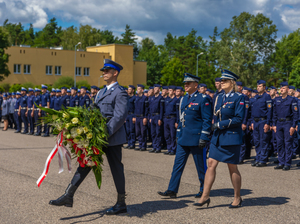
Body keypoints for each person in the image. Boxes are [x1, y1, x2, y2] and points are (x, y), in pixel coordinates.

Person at [49, 59, 128, 215]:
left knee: (116, 169)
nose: (104, 73)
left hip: (110, 137)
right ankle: (68, 195)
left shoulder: (120, 92)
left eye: (106, 71)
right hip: (96, 137)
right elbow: (94, 113)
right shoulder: (101, 92)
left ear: (115, 73)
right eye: (103, 71)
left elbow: (119, 116)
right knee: (85, 163)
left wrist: (104, 132)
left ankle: (121, 203)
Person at [195, 69, 245, 208]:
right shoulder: (219, 97)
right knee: (211, 164)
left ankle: (237, 197)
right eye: (221, 80)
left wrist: (219, 124)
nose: (221, 82)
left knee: (232, 167)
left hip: (231, 136)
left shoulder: (239, 97)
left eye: (224, 81)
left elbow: (238, 119)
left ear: (232, 82)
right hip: (218, 137)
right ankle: (205, 196)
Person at [158, 73, 212, 199]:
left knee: (201, 167)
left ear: (196, 85)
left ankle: (204, 189)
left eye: (188, 83)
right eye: (185, 83)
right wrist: (178, 133)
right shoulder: (183, 99)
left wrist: (204, 137)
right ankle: (172, 189)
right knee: (177, 165)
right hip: (183, 137)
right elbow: (181, 118)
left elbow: (207, 120)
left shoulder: (203, 99)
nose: (185, 85)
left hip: (196, 138)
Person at [272, 82, 298, 171]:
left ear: (287, 90)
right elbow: (274, 113)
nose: (281, 90)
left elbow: (295, 114)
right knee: (279, 143)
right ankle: (281, 162)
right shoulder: (277, 99)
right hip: (279, 123)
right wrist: (274, 124)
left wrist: (293, 126)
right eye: (280, 88)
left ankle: (287, 163)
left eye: (283, 88)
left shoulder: (292, 100)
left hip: (288, 123)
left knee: (288, 143)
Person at [250, 80, 272, 167]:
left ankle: (263, 160)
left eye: (260, 86)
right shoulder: (255, 98)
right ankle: (258, 158)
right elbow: (252, 111)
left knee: (263, 141)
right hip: (255, 122)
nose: (258, 88)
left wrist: (268, 123)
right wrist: (252, 122)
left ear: (264, 87)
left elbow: (270, 111)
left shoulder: (267, 97)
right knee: (257, 141)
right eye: (257, 86)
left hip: (263, 121)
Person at [163, 85, 179, 155]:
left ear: (174, 91)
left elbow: (178, 112)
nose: (168, 92)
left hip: (173, 119)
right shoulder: (166, 99)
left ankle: (173, 149)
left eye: (170, 90)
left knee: (173, 135)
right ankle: (169, 148)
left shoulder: (176, 100)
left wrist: (177, 121)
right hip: (166, 118)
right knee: (167, 135)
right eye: (168, 90)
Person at [149, 84, 164, 153]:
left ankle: (158, 147)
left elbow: (161, 109)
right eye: (154, 89)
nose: (154, 90)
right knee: (153, 133)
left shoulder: (161, 98)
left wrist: (160, 119)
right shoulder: (152, 98)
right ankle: (154, 146)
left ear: (159, 90)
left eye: (156, 89)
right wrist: (150, 117)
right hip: (152, 116)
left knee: (158, 133)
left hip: (157, 116)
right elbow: (150, 109)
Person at [133, 84, 149, 151]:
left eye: (139, 89)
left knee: (143, 132)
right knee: (138, 132)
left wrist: (145, 117)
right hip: (137, 117)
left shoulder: (145, 98)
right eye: (137, 89)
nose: (137, 90)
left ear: (142, 90)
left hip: (142, 117)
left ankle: (143, 146)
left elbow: (147, 108)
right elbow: (134, 108)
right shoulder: (136, 98)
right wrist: (134, 116)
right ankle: (140, 145)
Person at [125, 85, 136, 149]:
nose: (128, 90)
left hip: (132, 115)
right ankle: (129, 143)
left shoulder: (134, 98)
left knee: (132, 130)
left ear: (133, 90)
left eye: (129, 89)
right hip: (127, 115)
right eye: (128, 89)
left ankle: (132, 143)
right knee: (128, 130)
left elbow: (136, 108)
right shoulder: (128, 98)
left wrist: (134, 116)